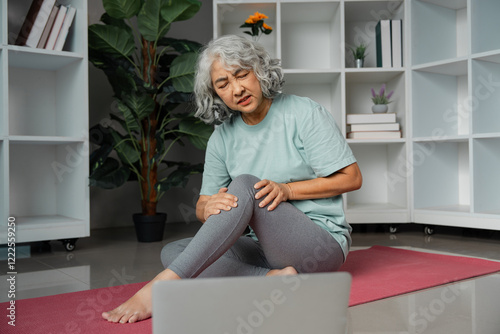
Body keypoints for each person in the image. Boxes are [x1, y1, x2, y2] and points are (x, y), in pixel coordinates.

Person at [102, 35, 362, 324]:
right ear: (215, 93)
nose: (237, 89)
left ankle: (161, 285)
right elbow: (203, 205)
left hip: (318, 244)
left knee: (246, 185)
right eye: (223, 84)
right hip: (260, 249)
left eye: (242, 74)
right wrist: (209, 206)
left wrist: (286, 190)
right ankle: (271, 279)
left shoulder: (304, 113)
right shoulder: (221, 137)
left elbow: (352, 178)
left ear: (260, 70)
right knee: (174, 251)